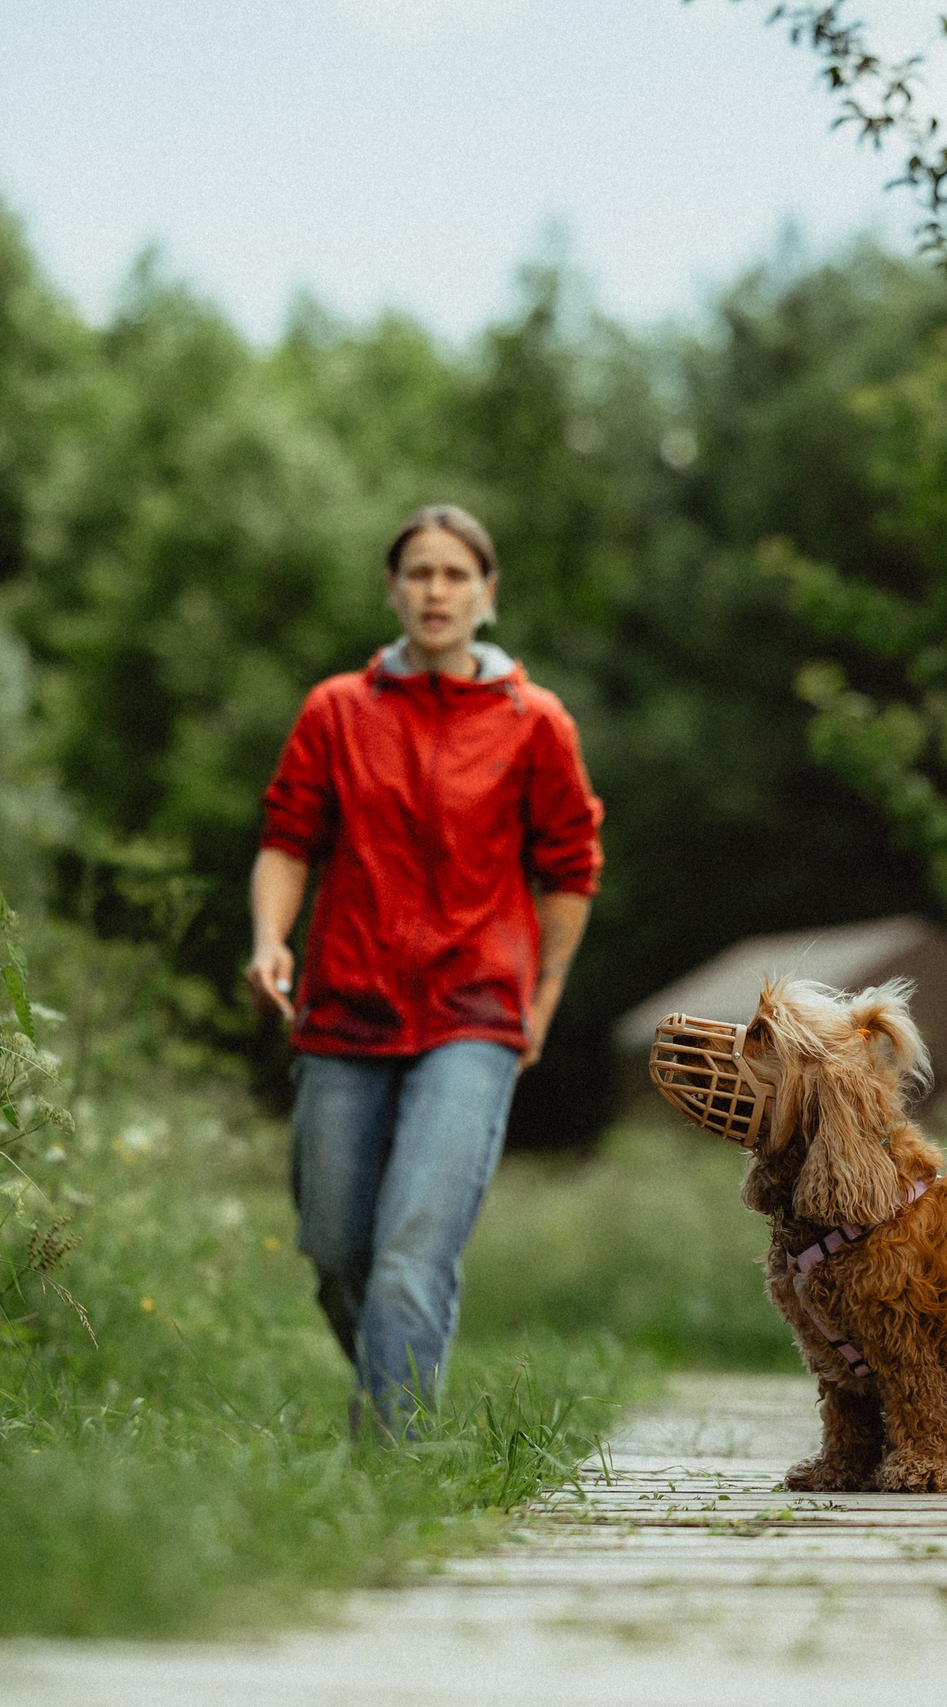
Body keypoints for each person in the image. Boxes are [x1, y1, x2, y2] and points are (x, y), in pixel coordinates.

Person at [244, 504, 603, 1431]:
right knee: (336, 1250)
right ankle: (399, 1399)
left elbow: (571, 868)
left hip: (475, 1012)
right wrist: (271, 938)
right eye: (418, 573)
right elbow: (288, 837)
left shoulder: (534, 722)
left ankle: (394, 1462)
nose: (435, 590)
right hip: (345, 1008)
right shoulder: (337, 710)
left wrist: (542, 999)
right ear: (393, 590)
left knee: (411, 1254)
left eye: (454, 574)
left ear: (486, 593)